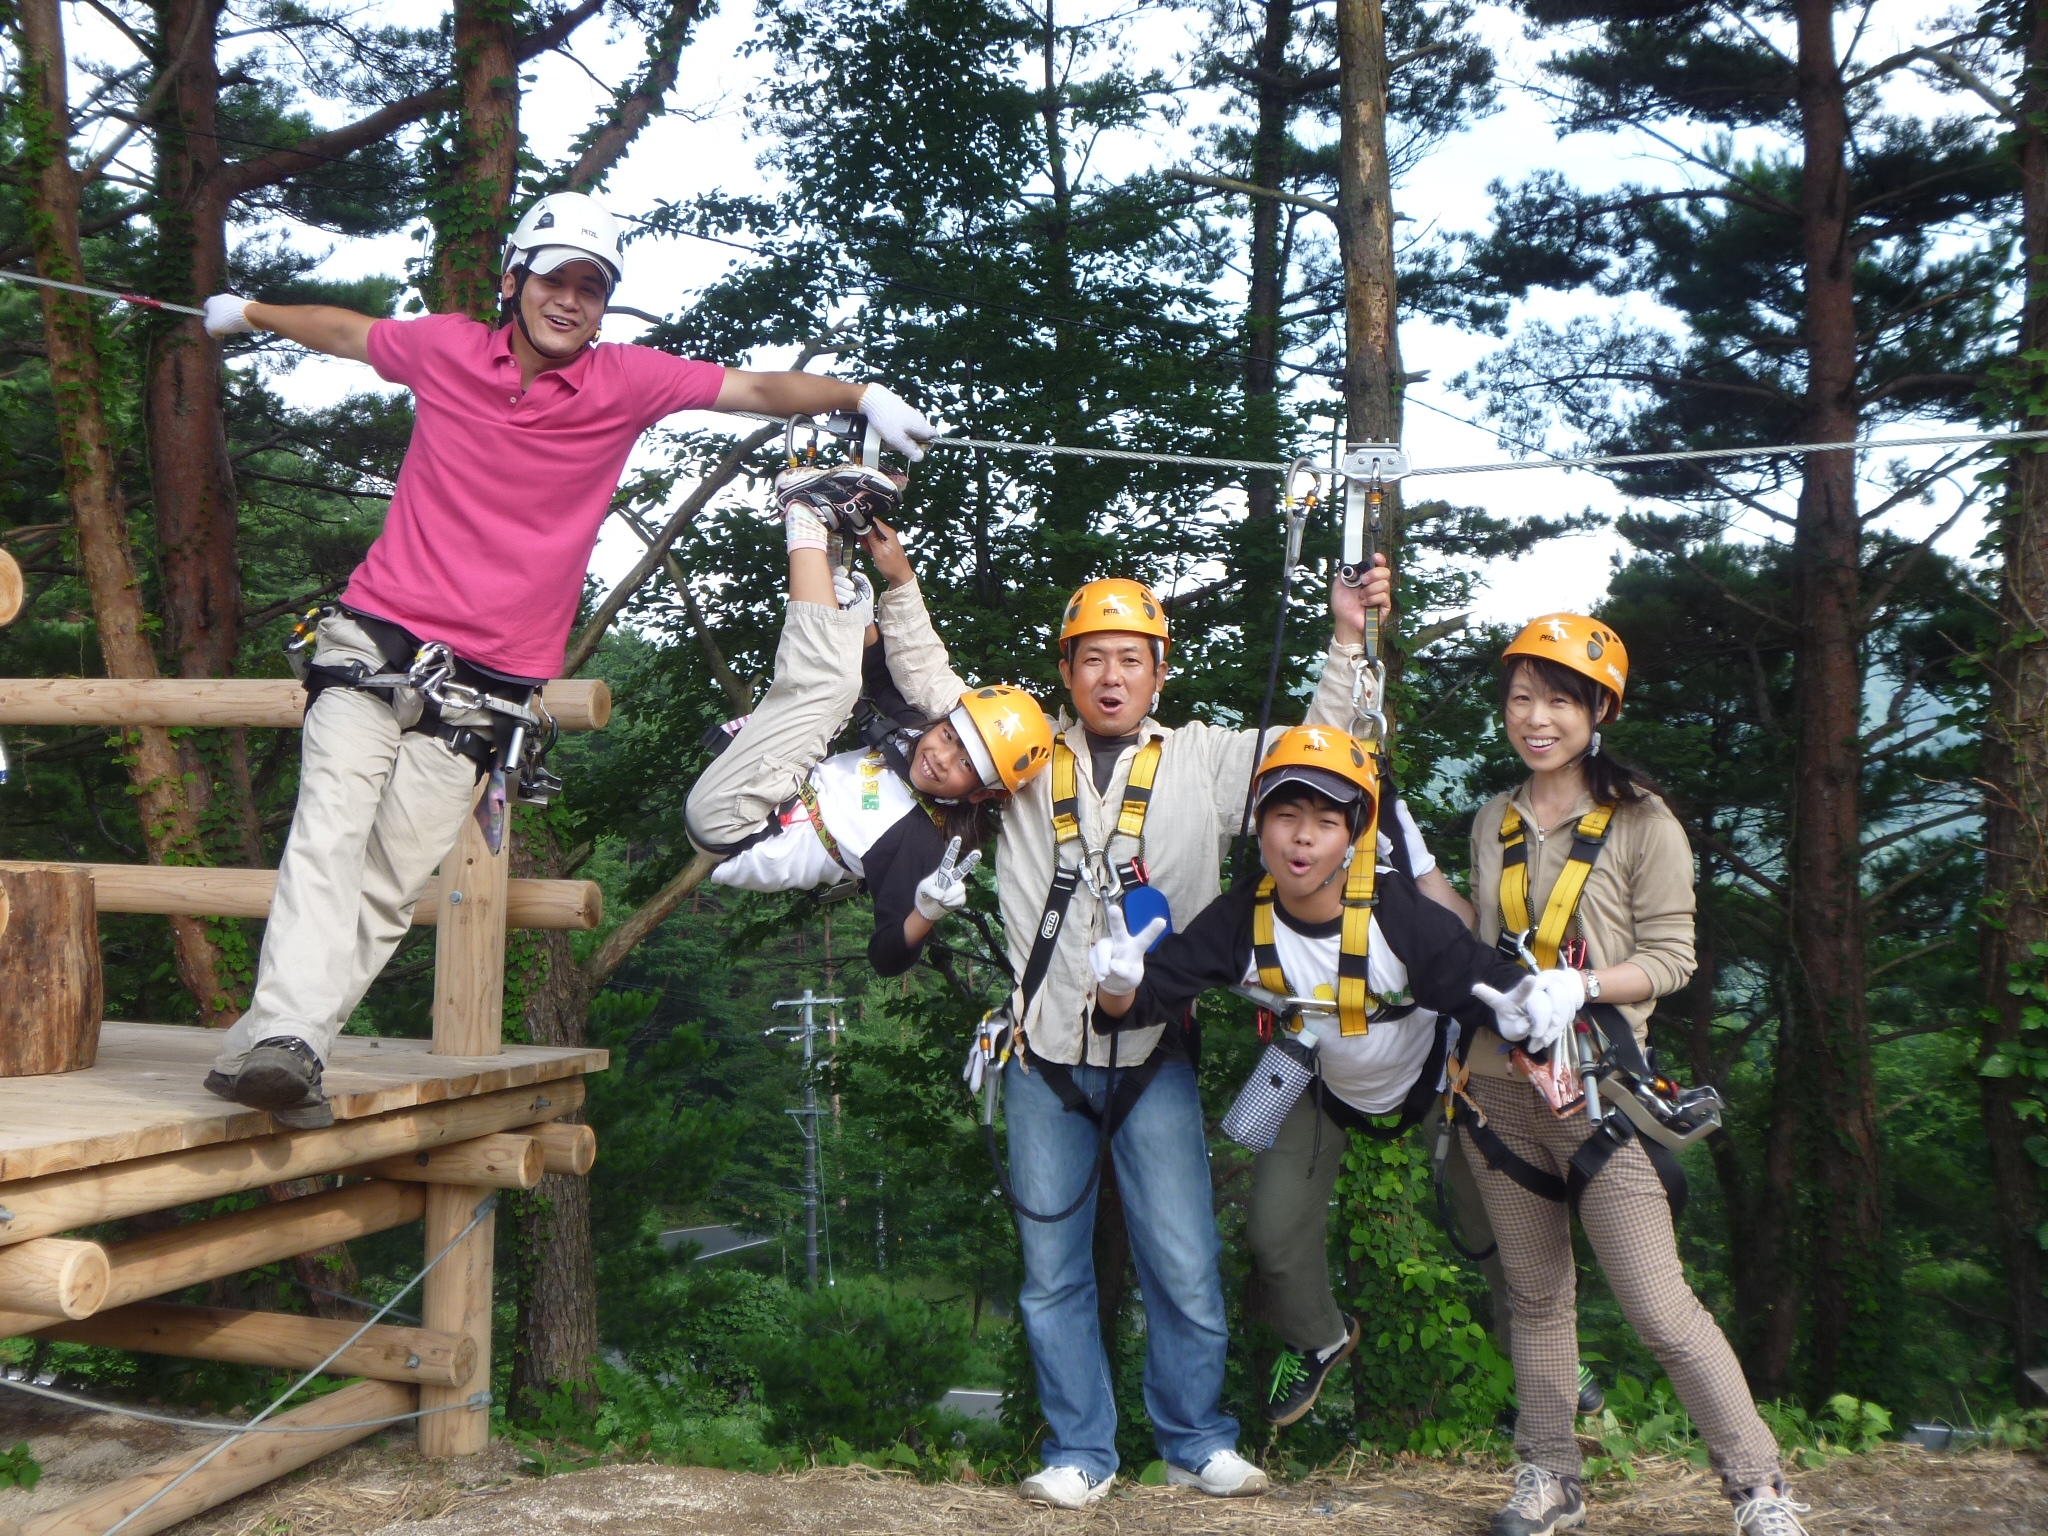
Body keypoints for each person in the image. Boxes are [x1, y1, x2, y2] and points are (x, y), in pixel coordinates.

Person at [198, 191, 936, 1127]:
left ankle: (270, 1050)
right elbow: (347, 330)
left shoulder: (624, 383)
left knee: (389, 881)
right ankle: (291, 1042)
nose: (571, 301)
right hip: (376, 639)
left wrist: (856, 395)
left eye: (592, 288)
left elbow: (748, 390)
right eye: (556, 279)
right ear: (515, 281)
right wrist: (250, 313)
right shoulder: (448, 350)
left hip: (485, 691)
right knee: (329, 837)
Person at [881, 559, 1391, 1508]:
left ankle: (1196, 1440)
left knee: (1185, 1262)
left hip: (1156, 1053)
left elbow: (1323, 745)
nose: (1111, 678)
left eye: (1131, 660)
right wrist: (896, 574)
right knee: (1050, 1273)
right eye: (1092, 660)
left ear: (1161, 672)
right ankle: (1081, 1449)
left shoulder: (1208, 760)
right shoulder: (1026, 755)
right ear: (1066, 673)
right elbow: (935, 688)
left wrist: (1350, 636)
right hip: (1046, 1056)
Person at [1455, 615, 1813, 1536]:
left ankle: (1759, 1485)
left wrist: (1582, 983)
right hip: (1498, 1088)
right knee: (1535, 1298)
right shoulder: (1493, 818)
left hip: (1605, 1093)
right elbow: (1477, 936)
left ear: (1599, 710)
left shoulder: (1644, 824)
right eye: (1523, 698)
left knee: (1658, 1304)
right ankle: (1550, 1475)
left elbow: (1675, 957)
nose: (1536, 718)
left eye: (1560, 701)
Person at [1089, 725, 1539, 1430]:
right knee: (1272, 1234)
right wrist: (1117, 984)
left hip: (1431, 1078)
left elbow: (1480, 983)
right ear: (1260, 826)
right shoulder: (1240, 918)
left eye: (1325, 823)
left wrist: (1529, 1010)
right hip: (1323, 1082)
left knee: (1499, 1231)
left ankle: (1542, 1376)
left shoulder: (1402, 918)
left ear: (1355, 837)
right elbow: (1136, 1008)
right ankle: (1319, 1336)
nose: (1301, 840)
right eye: (1285, 817)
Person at [684, 511, 1051, 976]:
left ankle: (805, 520)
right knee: (846, 668)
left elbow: (887, 957)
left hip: (738, 828)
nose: (940, 757)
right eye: (948, 735)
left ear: (979, 794)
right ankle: (827, 541)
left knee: (835, 687)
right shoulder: (913, 735)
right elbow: (878, 674)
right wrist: (860, 610)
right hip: (765, 785)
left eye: (964, 764)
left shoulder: (921, 840)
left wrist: (925, 914)